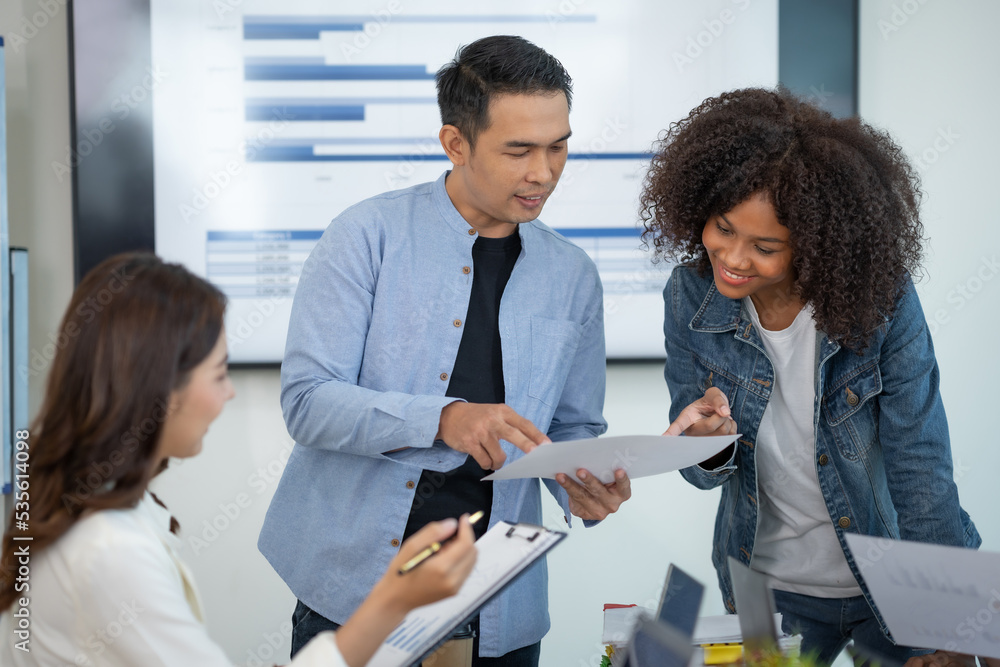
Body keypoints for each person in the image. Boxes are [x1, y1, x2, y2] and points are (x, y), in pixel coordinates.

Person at [258, 35, 631, 665]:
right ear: (455, 143)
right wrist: (445, 417)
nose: (543, 172)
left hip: (500, 605)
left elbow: (572, 427)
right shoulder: (365, 237)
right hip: (358, 595)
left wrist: (586, 483)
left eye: (558, 146)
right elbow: (308, 402)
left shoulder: (573, 275)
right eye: (519, 150)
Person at [0, 253, 478, 667]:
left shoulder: (73, 500)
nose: (229, 393)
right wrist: (394, 599)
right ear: (160, 389)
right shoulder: (110, 551)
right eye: (218, 374)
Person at [642, 88, 980, 664]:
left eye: (766, 246)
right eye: (723, 228)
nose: (734, 258)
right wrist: (704, 446)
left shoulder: (883, 303)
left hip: (896, 583)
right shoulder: (690, 295)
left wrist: (951, 624)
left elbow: (921, 467)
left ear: (817, 246)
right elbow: (701, 473)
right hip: (764, 586)